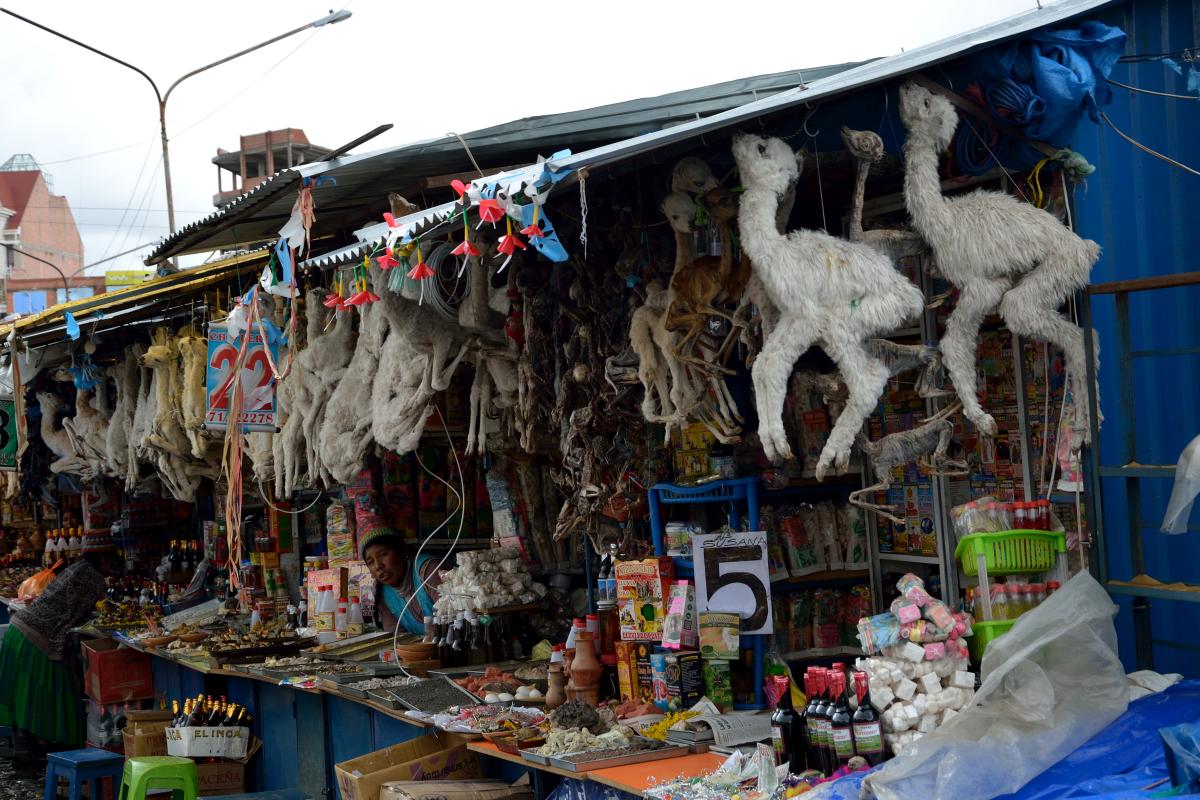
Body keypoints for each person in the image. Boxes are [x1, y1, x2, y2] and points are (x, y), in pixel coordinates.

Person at [0, 533, 119, 756]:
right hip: (35, 638)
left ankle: (27, 751)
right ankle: (47, 751)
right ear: (102, 559)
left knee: (25, 697)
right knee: (45, 696)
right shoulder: (92, 577)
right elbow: (98, 614)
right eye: (111, 560)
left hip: (20, 631)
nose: (112, 566)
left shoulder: (77, 569)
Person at [360, 526, 440, 636]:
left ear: (403, 551)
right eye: (371, 562)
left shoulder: (429, 571)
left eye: (383, 554)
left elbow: (454, 621)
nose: (378, 566)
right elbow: (396, 636)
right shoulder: (383, 591)